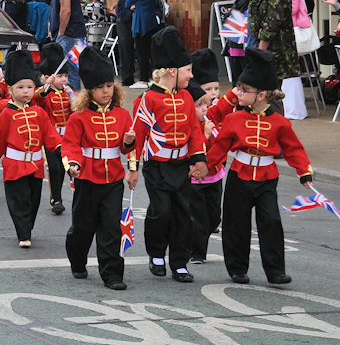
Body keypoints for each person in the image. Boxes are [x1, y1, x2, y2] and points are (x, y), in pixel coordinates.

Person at [206, 47, 314, 285]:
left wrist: (303, 171)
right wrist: (204, 166)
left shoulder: (280, 122)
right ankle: (237, 268)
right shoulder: (234, 118)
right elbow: (220, 145)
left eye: (244, 90)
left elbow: (294, 148)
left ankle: (275, 271)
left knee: (271, 222)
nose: (238, 92)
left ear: (262, 95)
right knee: (236, 222)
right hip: (239, 175)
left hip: (267, 176)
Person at [132, 26, 208, 283]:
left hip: (181, 165)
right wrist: (132, 167)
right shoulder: (148, 99)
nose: (191, 75)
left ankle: (179, 262)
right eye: (188, 71)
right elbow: (139, 136)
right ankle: (156, 254)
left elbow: (194, 133)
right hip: (157, 166)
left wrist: (199, 159)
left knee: (182, 214)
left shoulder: (186, 97)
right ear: (173, 72)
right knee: (161, 211)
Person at [62, 45, 136, 290]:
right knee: (83, 227)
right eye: (100, 87)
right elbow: (70, 145)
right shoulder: (78, 117)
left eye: (109, 86)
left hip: (113, 177)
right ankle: (78, 259)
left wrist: (129, 146)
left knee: (111, 226)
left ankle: (112, 273)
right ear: (90, 90)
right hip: (87, 176)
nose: (106, 91)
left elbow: (127, 149)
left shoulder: (123, 115)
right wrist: (72, 164)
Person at [0, 50, 63, 248]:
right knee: (18, 200)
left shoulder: (38, 112)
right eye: (21, 87)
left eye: (29, 87)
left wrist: (61, 151)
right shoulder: (6, 114)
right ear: (11, 90)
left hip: (35, 165)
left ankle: (27, 227)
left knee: (33, 200)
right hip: (15, 165)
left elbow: (50, 135)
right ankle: (23, 233)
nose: (26, 91)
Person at [247, 0, 300, 113]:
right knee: (265, 93)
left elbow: (272, 23)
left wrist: (260, 53)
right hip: (268, 52)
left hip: (272, 53)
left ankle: (277, 132)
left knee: (270, 94)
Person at [35, 42, 74, 215]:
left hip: (66, 137)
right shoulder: (46, 92)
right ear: (50, 77)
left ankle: (58, 195)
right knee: (54, 167)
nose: (64, 80)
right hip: (50, 138)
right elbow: (38, 96)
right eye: (60, 76)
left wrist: (73, 97)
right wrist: (47, 86)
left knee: (64, 167)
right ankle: (55, 198)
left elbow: (77, 110)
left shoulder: (67, 92)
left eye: (65, 76)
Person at [185, 81, 222, 265]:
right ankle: (196, 252)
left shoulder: (209, 123)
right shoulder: (191, 127)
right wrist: (205, 136)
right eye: (199, 106)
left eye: (205, 105)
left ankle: (196, 240)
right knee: (198, 217)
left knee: (214, 215)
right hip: (197, 179)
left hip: (214, 176)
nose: (204, 109)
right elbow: (194, 149)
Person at [42, 0, 87, 89]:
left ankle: (74, 104)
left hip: (69, 33)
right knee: (70, 70)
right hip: (70, 32)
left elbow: (65, 10)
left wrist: (61, 32)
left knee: (69, 71)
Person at [276, 0, 310, 120]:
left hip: (291, 31)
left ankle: (294, 110)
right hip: (291, 30)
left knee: (289, 71)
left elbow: (293, 7)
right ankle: (293, 109)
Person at [125, 0, 161, 88]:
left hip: (140, 22)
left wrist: (134, 6)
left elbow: (127, 3)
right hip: (151, 21)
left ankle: (143, 80)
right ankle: (153, 77)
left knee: (140, 52)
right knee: (149, 51)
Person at [113, 0, 141, 88]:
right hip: (122, 14)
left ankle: (130, 77)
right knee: (124, 47)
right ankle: (127, 76)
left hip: (130, 15)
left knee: (131, 46)